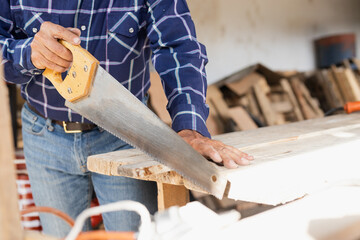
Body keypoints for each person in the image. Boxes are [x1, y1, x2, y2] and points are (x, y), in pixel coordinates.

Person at [0, 0, 254, 238]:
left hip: (126, 139)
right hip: (44, 135)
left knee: (137, 233)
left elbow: (179, 47)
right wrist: (28, 53)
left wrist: (189, 128)